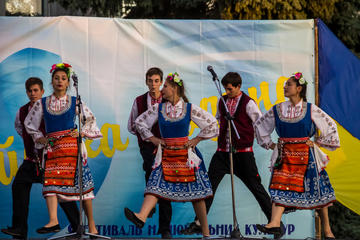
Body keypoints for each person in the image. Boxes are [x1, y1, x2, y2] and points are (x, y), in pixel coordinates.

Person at [181, 72, 283, 238]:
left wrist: (269, 144)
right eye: (225, 89)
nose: (227, 92)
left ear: (238, 87)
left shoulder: (249, 104)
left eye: (230, 89)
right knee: (208, 186)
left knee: (256, 188)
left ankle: (276, 224)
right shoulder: (222, 102)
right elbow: (215, 122)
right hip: (222, 153)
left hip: (243, 154)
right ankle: (199, 223)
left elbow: (260, 126)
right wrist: (201, 137)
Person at [124, 72, 219, 238]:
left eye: (165, 86)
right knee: (154, 186)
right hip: (166, 154)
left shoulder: (189, 108)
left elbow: (212, 124)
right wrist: (153, 139)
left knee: (197, 196)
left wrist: (197, 139)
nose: (162, 89)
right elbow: (139, 123)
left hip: (186, 156)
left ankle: (206, 232)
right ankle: (141, 216)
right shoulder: (159, 108)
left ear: (174, 88)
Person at [254, 72, 339, 240]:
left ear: (299, 88)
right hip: (285, 154)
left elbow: (331, 127)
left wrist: (318, 143)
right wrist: (271, 145)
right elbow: (260, 127)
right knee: (279, 186)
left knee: (317, 191)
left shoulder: (310, 109)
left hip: (306, 155)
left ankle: (328, 231)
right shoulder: (278, 109)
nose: (285, 87)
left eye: (289, 84)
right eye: (285, 84)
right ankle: (275, 223)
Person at [24, 63, 103, 235]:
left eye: (63, 78)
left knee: (83, 189)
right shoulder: (42, 103)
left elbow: (90, 119)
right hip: (53, 149)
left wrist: (82, 133)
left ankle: (92, 225)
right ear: (51, 81)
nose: (60, 81)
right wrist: (40, 137)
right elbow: (29, 123)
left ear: (68, 83)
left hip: (72, 149)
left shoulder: (75, 101)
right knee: (50, 184)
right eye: (56, 78)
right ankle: (53, 221)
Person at [1, 77, 80, 239]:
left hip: (51, 159)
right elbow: (20, 128)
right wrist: (34, 142)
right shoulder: (22, 111)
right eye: (29, 91)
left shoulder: (49, 108)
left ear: (42, 91)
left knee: (61, 193)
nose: (32, 93)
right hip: (32, 160)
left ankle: (78, 227)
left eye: (36, 90)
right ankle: (19, 229)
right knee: (19, 186)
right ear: (26, 93)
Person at [127, 67, 172, 238]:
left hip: (166, 146)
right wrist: (146, 137)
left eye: (156, 81)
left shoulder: (169, 99)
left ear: (161, 82)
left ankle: (164, 228)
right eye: (150, 81)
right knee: (152, 175)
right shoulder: (139, 101)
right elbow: (132, 125)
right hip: (147, 146)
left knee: (165, 184)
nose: (153, 85)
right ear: (146, 82)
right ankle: (151, 207)